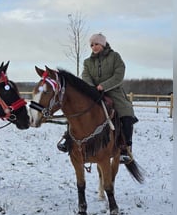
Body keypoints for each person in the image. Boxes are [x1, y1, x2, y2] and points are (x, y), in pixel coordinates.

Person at [57, 33, 138, 164]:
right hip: (93, 92)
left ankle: (124, 148)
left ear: (103, 44)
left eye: (96, 44)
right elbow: (86, 76)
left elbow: (119, 75)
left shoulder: (115, 57)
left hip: (113, 91)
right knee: (76, 110)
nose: (94, 47)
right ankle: (69, 140)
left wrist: (104, 86)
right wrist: (91, 88)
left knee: (126, 112)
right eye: (92, 45)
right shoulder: (87, 62)